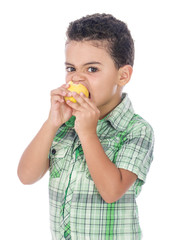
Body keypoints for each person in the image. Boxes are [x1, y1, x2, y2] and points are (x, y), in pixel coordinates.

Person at [17, 13, 154, 239]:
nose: (76, 79)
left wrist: (88, 133)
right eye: (71, 68)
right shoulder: (64, 124)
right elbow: (26, 176)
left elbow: (111, 192)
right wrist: (52, 123)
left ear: (123, 75)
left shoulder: (136, 129)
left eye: (92, 69)